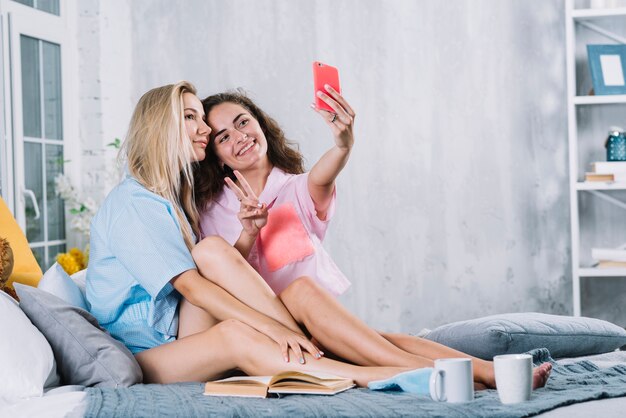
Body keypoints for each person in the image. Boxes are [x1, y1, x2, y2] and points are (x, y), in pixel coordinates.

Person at [85, 81, 447, 388]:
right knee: (235, 329)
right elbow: (192, 287)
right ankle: (377, 376)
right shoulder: (134, 202)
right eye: (190, 117)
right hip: (149, 353)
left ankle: (401, 367)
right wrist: (273, 329)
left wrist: (248, 237)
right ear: (160, 127)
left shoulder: (171, 198)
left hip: (182, 329)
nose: (206, 130)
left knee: (223, 259)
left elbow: (316, 182)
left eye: (202, 118)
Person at [194, 86, 552, 389]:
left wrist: (343, 145)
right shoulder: (210, 211)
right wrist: (248, 232)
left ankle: (484, 373)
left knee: (347, 320)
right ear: (217, 156)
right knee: (382, 342)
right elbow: (222, 277)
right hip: (264, 329)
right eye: (224, 136)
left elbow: (321, 176)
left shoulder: (296, 190)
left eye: (243, 122)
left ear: (261, 125)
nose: (239, 137)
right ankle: (454, 374)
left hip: (313, 319)